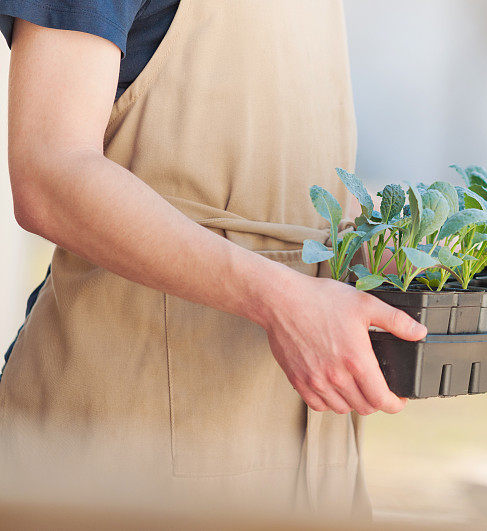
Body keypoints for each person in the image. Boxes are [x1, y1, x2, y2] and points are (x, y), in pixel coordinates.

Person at [0, 0, 428, 519]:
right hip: (130, 448)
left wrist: (371, 258)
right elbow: (50, 171)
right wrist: (279, 300)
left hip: (311, 462)